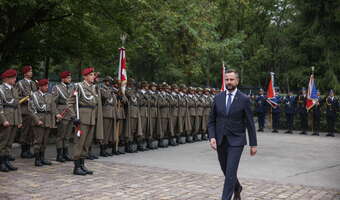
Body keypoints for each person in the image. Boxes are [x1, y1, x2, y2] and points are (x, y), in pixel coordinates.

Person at [208, 69, 257, 200]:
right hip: (220, 140)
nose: (229, 82)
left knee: (230, 172)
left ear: (237, 81)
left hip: (237, 141)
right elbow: (211, 120)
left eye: (231, 79)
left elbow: (250, 123)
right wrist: (212, 136)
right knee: (226, 170)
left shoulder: (244, 99)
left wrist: (253, 144)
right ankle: (237, 188)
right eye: (227, 79)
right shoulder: (218, 98)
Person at [67, 67, 104, 175]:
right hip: (82, 118)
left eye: (93, 75)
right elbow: (70, 103)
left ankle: (82, 165)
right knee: (79, 142)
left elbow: (95, 103)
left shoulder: (94, 88)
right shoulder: (78, 86)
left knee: (86, 143)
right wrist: (74, 117)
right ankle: (76, 167)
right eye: (91, 75)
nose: (93, 77)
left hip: (91, 118)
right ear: (85, 76)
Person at [29, 79, 58, 167]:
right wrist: (37, 120)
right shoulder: (34, 95)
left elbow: (53, 107)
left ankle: (42, 158)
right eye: (45, 86)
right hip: (39, 120)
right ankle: (37, 159)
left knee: (45, 141)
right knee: (38, 140)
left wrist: (57, 115)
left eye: (47, 86)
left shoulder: (49, 96)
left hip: (48, 120)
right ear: (40, 87)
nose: (47, 87)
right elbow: (31, 110)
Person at [0, 69, 22, 172]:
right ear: (6, 79)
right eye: (13, 78)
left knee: (9, 142)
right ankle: (1, 162)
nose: (15, 79)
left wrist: (19, 120)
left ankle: (6, 160)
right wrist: (3, 120)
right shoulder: (1, 89)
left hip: (14, 118)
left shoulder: (14, 89)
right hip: (6, 118)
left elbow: (17, 106)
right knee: (3, 142)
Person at [52, 71, 74, 162]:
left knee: (67, 135)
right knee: (60, 135)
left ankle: (66, 153)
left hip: (70, 113)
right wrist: (56, 113)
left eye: (70, 77)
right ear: (63, 79)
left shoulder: (72, 88)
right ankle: (59, 155)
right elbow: (53, 102)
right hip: (62, 113)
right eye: (68, 78)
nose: (70, 79)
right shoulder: (57, 88)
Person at [15, 65, 37, 159]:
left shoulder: (33, 83)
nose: (31, 73)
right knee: (25, 131)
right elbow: (16, 97)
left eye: (31, 71)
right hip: (25, 110)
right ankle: (23, 151)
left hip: (32, 110)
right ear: (25, 73)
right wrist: (25, 99)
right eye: (29, 71)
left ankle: (28, 150)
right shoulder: (20, 83)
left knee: (31, 131)